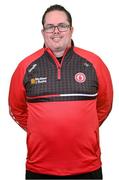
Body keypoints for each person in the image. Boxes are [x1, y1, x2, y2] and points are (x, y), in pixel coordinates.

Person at [9, 4, 113, 179]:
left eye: (62, 26)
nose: (56, 31)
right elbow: (16, 109)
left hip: (87, 166)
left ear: (71, 30)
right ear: (43, 32)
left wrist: (86, 128)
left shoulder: (94, 63)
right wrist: (38, 129)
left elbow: (104, 105)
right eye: (50, 27)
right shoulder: (26, 66)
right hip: (40, 168)